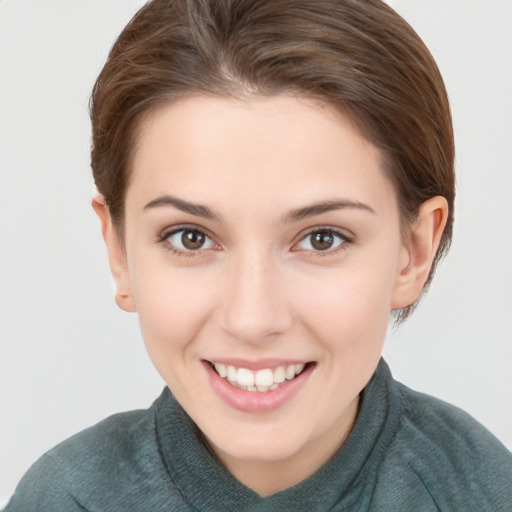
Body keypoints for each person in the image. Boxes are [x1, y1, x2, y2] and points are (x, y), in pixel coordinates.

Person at [5, 0, 511, 510]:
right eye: (191, 238)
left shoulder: (484, 493)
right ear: (119, 251)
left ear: (413, 251)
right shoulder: (66, 499)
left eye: (322, 239)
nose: (252, 319)